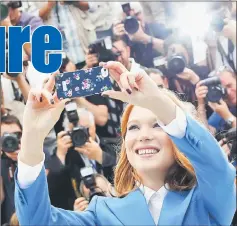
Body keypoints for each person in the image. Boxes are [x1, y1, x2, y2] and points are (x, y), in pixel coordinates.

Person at [15, 63, 235, 225]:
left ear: (178, 139)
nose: (143, 135)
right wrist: (33, 137)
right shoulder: (102, 213)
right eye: (133, 127)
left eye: (158, 124)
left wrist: (157, 101)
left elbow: (218, 169)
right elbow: (37, 221)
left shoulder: (206, 200)